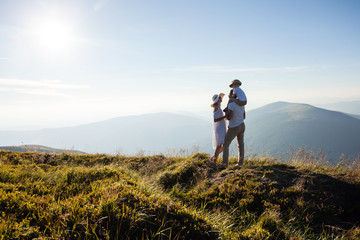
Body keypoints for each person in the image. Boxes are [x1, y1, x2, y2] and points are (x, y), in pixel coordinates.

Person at [221, 79, 247, 168]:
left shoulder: (231, 105)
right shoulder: (241, 104)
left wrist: (226, 113)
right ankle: (240, 163)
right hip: (242, 125)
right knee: (241, 145)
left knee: (225, 145)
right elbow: (244, 116)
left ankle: (225, 164)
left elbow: (229, 118)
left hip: (234, 127)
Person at [210, 93, 227, 164]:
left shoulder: (218, 107)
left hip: (221, 127)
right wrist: (224, 117)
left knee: (222, 145)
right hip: (219, 128)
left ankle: (213, 158)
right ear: (218, 100)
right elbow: (215, 119)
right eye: (220, 98)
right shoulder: (216, 108)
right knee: (219, 145)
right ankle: (214, 161)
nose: (221, 99)